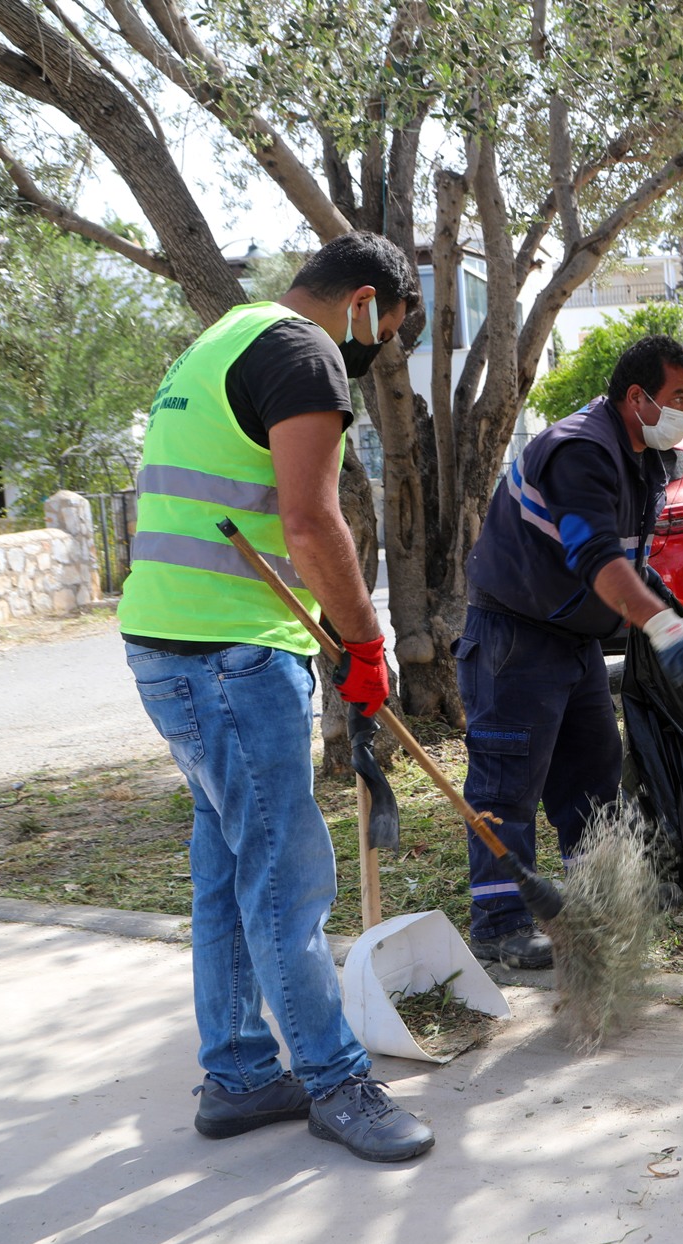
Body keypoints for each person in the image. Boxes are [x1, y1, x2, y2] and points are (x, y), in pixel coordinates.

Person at [118, 231, 434, 1163]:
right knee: (288, 879)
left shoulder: (221, 338)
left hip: (167, 645)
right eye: (393, 331)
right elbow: (310, 520)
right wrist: (365, 643)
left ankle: (243, 1074)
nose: (381, 353)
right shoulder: (304, 354)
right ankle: (338, 1082)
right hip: (229, 659)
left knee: (226, 864)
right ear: (368, 303)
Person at [458, 335, 683, 969]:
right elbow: (597, 559)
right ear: (638, 398)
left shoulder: (638, 458)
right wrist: (661, 626)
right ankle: (500, 922)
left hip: (569, 637)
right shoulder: (581, 451)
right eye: (678, 397)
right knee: (507, 780)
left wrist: (672, 612)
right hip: (514, 636)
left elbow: (628, 558)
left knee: (593, 771)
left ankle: (604, 892)